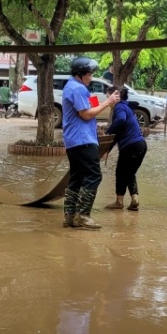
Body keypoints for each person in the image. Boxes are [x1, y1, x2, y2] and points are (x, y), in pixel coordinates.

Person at [61, 57, 120, 230]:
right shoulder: (77, 88)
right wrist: (107, 103)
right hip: (82, 139)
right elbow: (86, 114)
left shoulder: (72, 86)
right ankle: (83, 216)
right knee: (94, 175)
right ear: (80, 74)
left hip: (74, 139)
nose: (91, 77)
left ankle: (69, 216)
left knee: (77, 177)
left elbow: (87, 113)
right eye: (90, 74)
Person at [103, 85, 147, 212]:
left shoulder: (119, 107)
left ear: (115, 97)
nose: (108, 101)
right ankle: (135, 199)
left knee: (121, 173)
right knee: (129, 172)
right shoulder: (127, 107)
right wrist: (107, 150)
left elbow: (120, 122)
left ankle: (119, 202)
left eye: (108, 97)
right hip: (141, 145)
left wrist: (108, 130)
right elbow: (118, 134)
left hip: (130, 146)